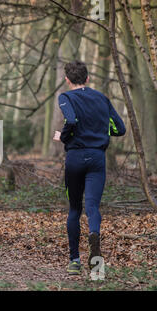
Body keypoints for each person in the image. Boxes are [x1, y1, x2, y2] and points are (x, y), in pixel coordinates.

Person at [53, 61, 126, 275]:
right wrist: (100, 133)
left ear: (67, 80)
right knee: (93, 207)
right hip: (97, 158)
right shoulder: (102, 98)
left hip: (75, 158)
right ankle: (96, 258)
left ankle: (74, 261)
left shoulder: (66, 97)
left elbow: (72, 121)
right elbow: (119, 128)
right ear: (87, 78)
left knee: (75, 209)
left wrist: (63, 137)